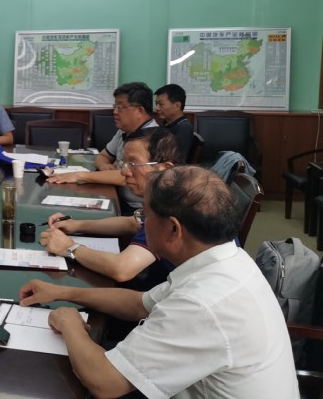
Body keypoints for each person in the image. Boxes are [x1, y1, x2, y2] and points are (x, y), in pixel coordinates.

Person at [20, 166, 298, 399]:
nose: (140, 223)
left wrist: (69, 322)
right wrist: (62, 292)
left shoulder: (203, 302)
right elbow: (139, 304)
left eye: (145, 214)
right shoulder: (225, 260)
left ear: (173, 228)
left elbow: (104, 382)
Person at [41, 127, 182, 284]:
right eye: (124, 163)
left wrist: (69, 248)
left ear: (164, 168)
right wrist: (76, 225)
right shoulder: (165, 196)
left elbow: (122, 269)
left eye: (133, 163)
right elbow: (132, 223)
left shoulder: (170, 210)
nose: (124, 172)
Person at [48, 82, 158, 214]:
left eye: (120, 107)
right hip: (118, 197)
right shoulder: (124, 131)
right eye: (115, 106)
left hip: (139, 209)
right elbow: (103, 156)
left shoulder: (153, 137)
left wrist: (79, 176)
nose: (115, 112)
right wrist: (106, 167)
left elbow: (127, 177)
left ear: (139, 110)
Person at [154, 84, 193, 162]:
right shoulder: (166, 124)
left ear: (177, 105)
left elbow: (175, 160)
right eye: (156, 104)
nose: (157, 108)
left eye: (161, 104)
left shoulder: (184, 128)